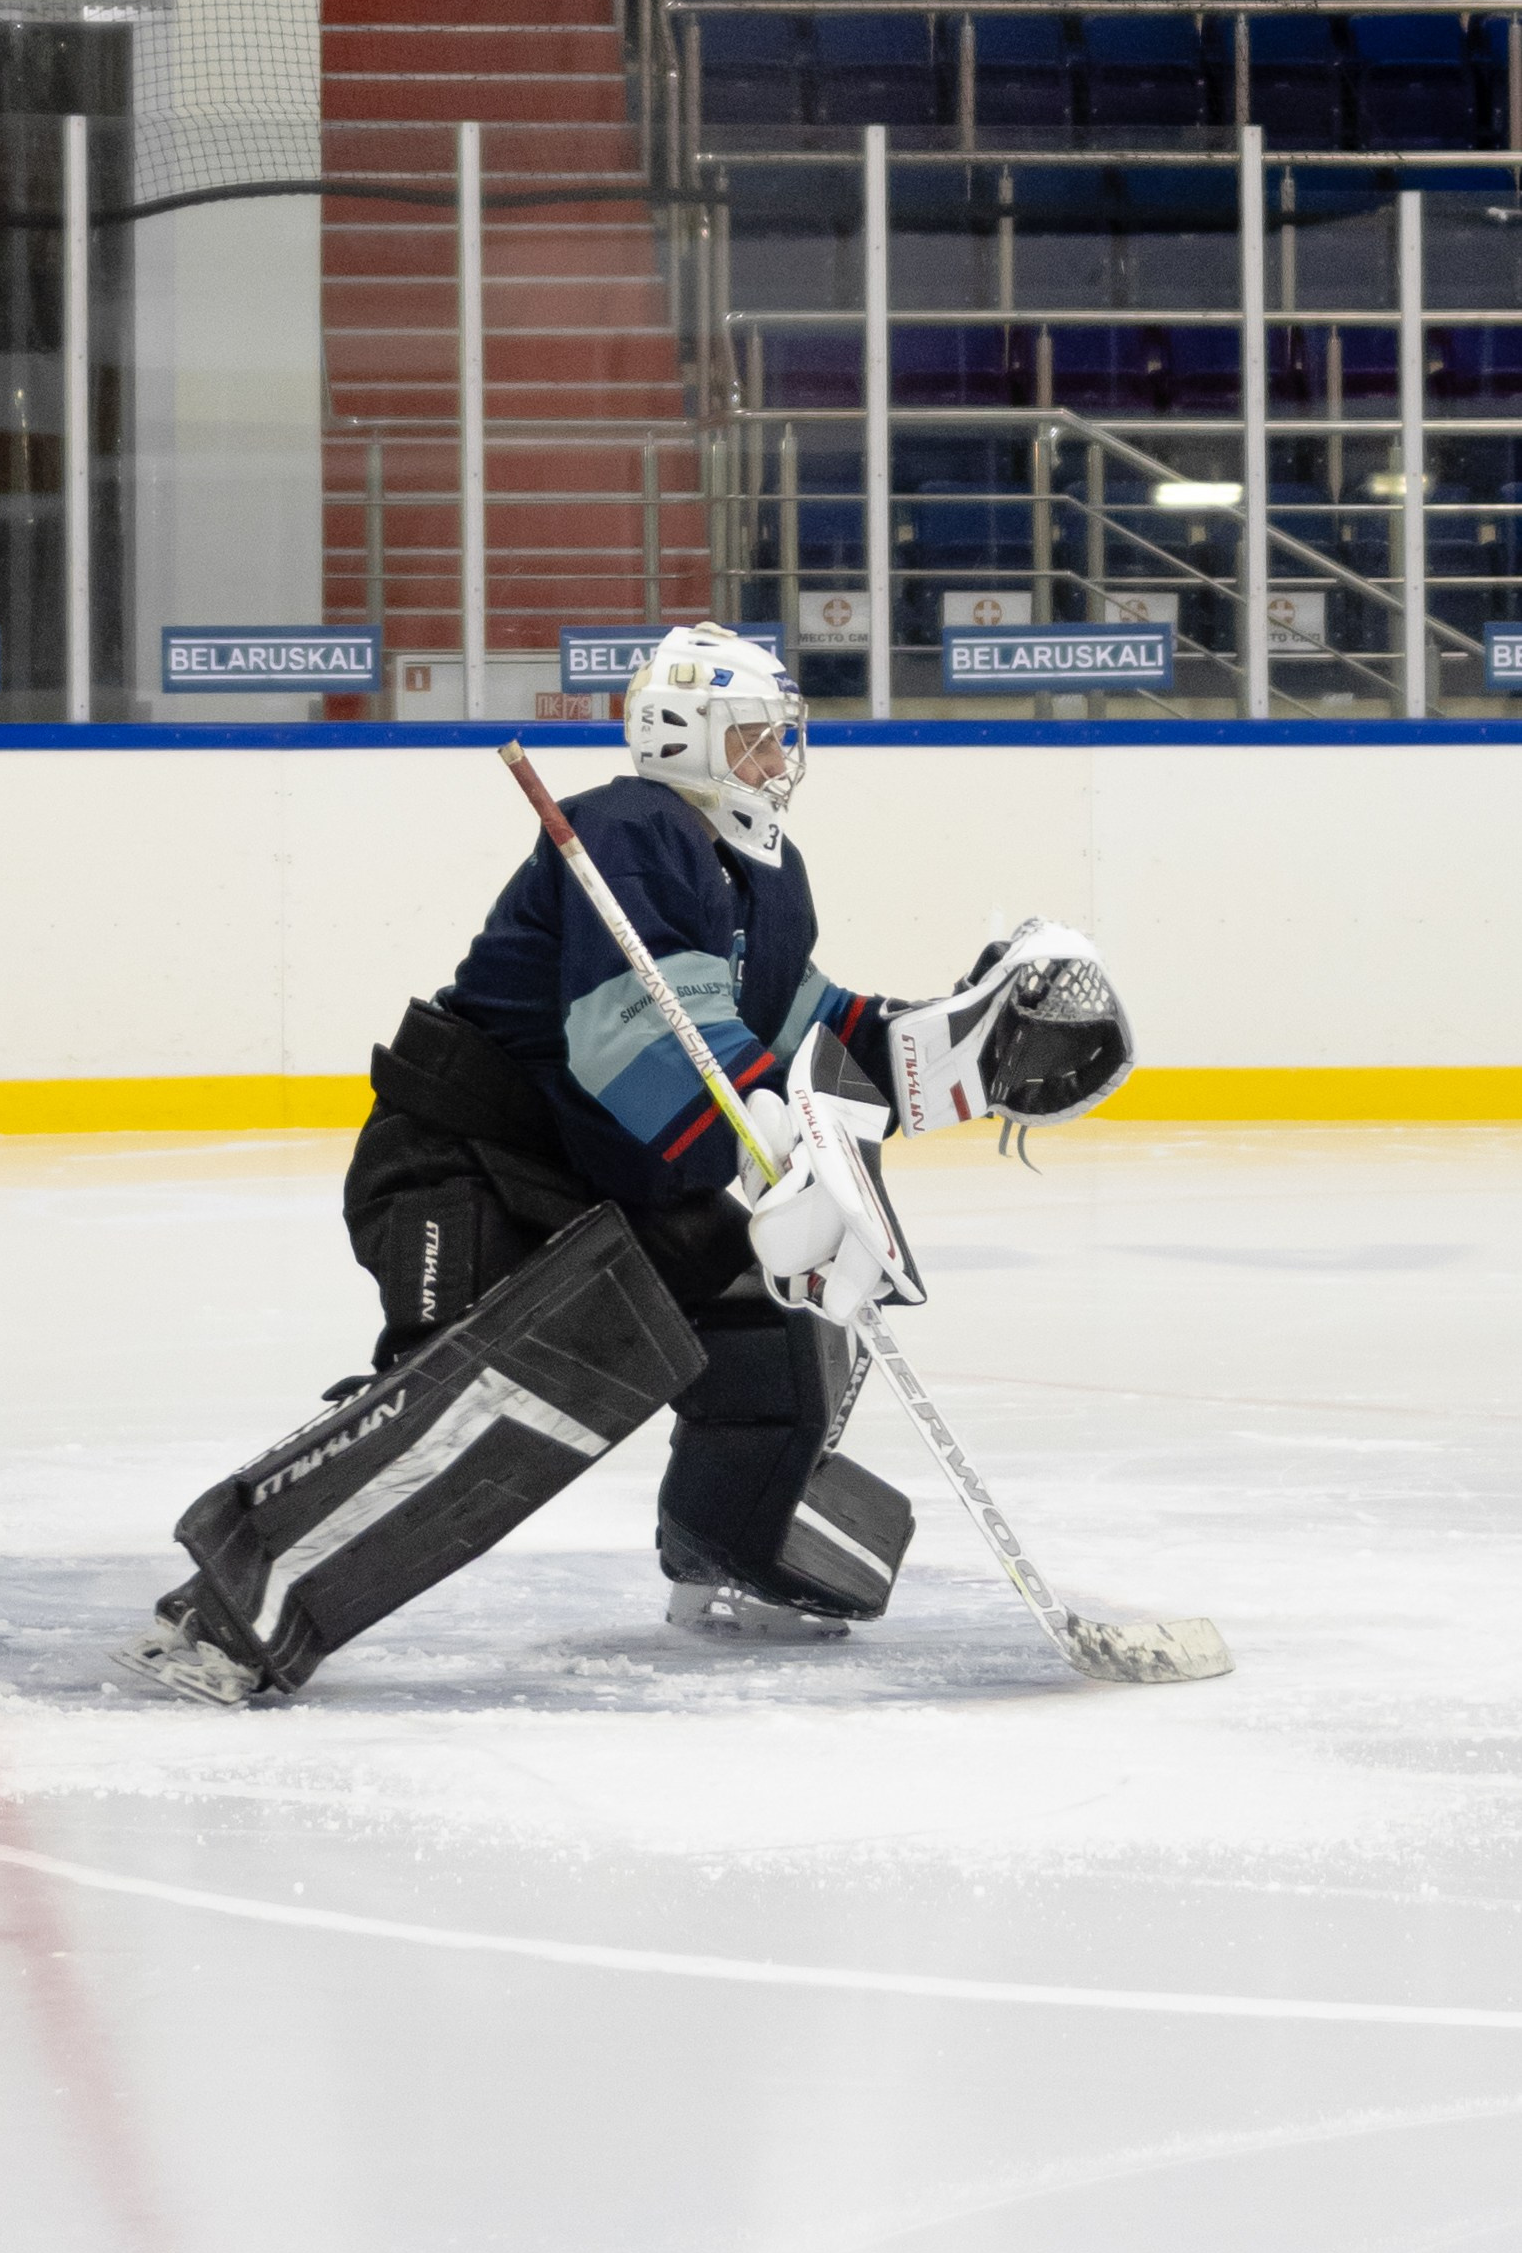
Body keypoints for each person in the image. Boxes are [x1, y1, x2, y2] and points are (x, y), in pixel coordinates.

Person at [129, 623, 1127, 1706]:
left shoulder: (768, 875)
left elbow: (804, 1028)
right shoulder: (630, 829)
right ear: (683, 734)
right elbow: (630, 1038)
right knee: (478, 1400)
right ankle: (227, 1611)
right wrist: (770, 1139)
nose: (776, 757)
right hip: (470, 1162)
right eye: (752, 735)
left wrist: (956, 1049)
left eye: (779, 735)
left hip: (603, 1181)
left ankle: (730, 1549)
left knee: (773, 1323)